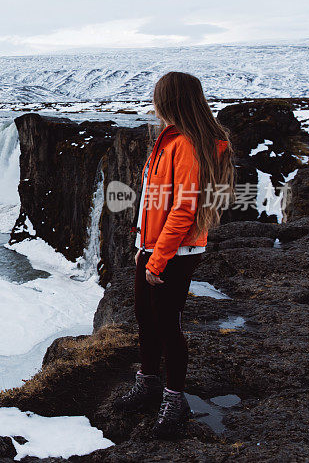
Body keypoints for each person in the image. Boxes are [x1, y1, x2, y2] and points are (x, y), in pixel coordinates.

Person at [113, 71, 234, 439]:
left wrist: (159, 257)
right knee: (145, 320)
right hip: (154, 246)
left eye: (158, 96)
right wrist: (141, 245)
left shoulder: (188, 145)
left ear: (170, 100)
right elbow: (152, 198)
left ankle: (174, 397)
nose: (154, 101)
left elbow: (183, 209)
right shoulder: (169, 139)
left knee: (167, 325)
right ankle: (148, 382)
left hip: (177, 251)